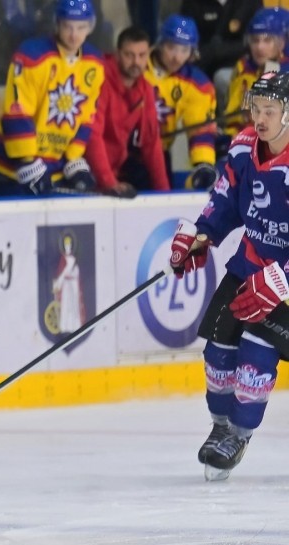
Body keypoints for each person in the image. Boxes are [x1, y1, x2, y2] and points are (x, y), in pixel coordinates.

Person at [169, 70, 289, 482]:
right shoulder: (242, 148)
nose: (261, 118)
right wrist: (201, 235)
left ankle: (239, 435)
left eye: (270, 110)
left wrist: (283, 279)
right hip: (248, 267)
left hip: (284, 284)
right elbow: (224, 203)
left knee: (256, 356)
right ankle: (220, 427)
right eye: (256, 109)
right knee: (218, 354)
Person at [0, 0, 105, 197]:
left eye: (81, 27)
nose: (74, 34)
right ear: (57, 24)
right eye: (68, 26)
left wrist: (73, 157)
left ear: (90, 27)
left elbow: (87, 115)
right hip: (10, 169)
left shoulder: (95, 63)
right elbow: (17, 109)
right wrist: (27, 160)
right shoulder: (32, 55)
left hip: (55, 167)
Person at [85, 27, 170, 196]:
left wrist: (165, 193)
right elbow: (92, 135)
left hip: (115, 172)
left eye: (142, 55)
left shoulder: (145, 88)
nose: (136, 62)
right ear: (117, 54)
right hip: (85, 171)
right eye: (129, 55)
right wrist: (109, 183)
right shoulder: (99, 79)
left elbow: (151, 142)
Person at [144, 14, 218, 191]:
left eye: (184, 50)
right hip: (119, 151)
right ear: (160, 43)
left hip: (158, 154)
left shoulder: (197, 84)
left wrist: (203, 163)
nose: (177, 57)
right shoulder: (138, 65)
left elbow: (201, 127)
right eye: (171, 47)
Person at [221, 8, 289, 141]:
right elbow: (232, 115)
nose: (259, 47)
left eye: (267, 40)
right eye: (255, 40)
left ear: (282, 43)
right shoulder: (242, 67)